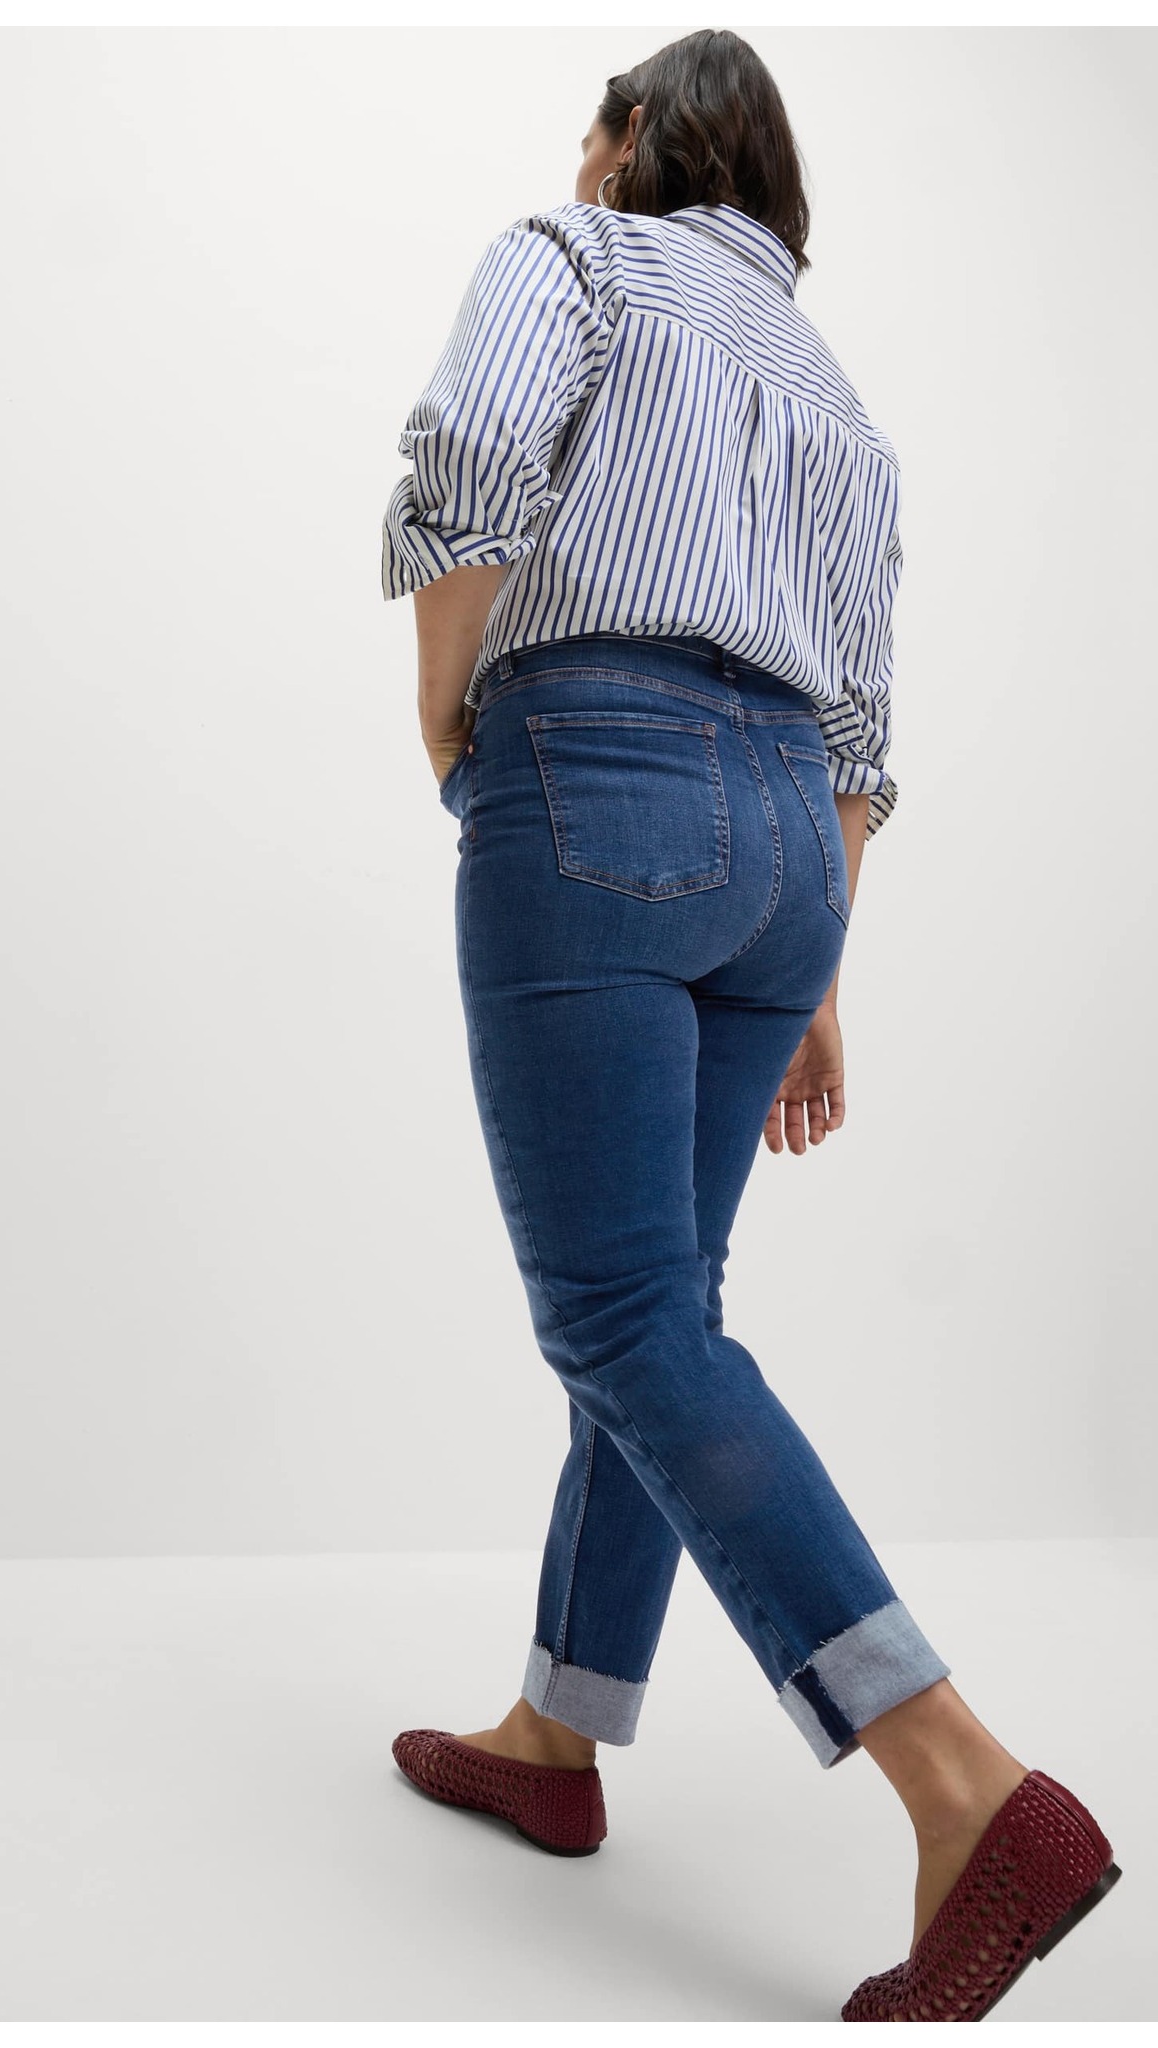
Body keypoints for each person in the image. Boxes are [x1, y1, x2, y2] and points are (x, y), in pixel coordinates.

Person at [378, 29, 1121, 2024]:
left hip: (596, 775)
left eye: (593, 126)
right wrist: (818, 971)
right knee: (667, 1304)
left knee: (621, 1318)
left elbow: (467, 447)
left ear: (636, 141)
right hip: (792, 842)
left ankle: (968, 1786)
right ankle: (558, 1732)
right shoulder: (836, 391)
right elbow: (859, 721)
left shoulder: (575, 252)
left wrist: (448, 714)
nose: (576, 155)